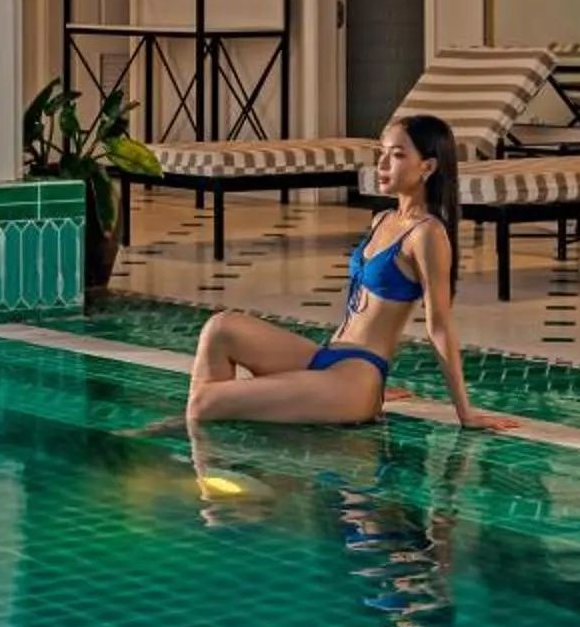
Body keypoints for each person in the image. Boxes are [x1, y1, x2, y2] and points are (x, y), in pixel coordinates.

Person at [176, 112, 514, 430]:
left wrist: (465, 412)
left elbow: (439, 327)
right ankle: (221, 456)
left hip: (355, 378)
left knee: (205, 403)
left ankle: (203, 455)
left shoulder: (427, 235)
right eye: (381, 153)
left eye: (396, 155)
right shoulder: (383, 219)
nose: (381, 164)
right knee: (220, 327)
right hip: (327, 356)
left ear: (427, 167)